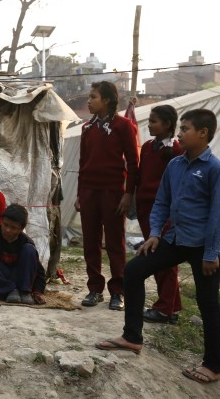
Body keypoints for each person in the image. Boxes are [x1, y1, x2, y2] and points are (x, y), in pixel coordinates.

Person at [96, 109, 220, 384]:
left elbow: (219, 216)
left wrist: (211, 254)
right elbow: (162, 203)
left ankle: (213, 365)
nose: (179, 134)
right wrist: (155, 234)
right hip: (175, 239)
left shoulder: (216, 171)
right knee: (134, 271)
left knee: (208, 304)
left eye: (185, 129)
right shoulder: (176, 165)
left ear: (203, 133)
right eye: (179, 129)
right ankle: (132, 337)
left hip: (204, 247)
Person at [75, 81, 139, 310]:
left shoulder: (124, 126)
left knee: (115, 242)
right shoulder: (87, 128)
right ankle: (94, 288)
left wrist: (128, 194)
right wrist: (79, 194)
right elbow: (83, 163)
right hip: (89, 191)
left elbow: (133, 163)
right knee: (90, 242)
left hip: (113, 192)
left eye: (93, 97)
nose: (89, 101)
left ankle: (118, 291)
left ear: (107, 100)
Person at [135, 105, 184, 324]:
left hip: (164, 210)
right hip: (146, 209)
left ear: (167, 124)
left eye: (154, 121)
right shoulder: (147, 147)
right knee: (157, 256)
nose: (150, 124)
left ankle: (164, 308)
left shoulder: (176, 151)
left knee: (164, 258)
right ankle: (172, 307)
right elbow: (141, 176)